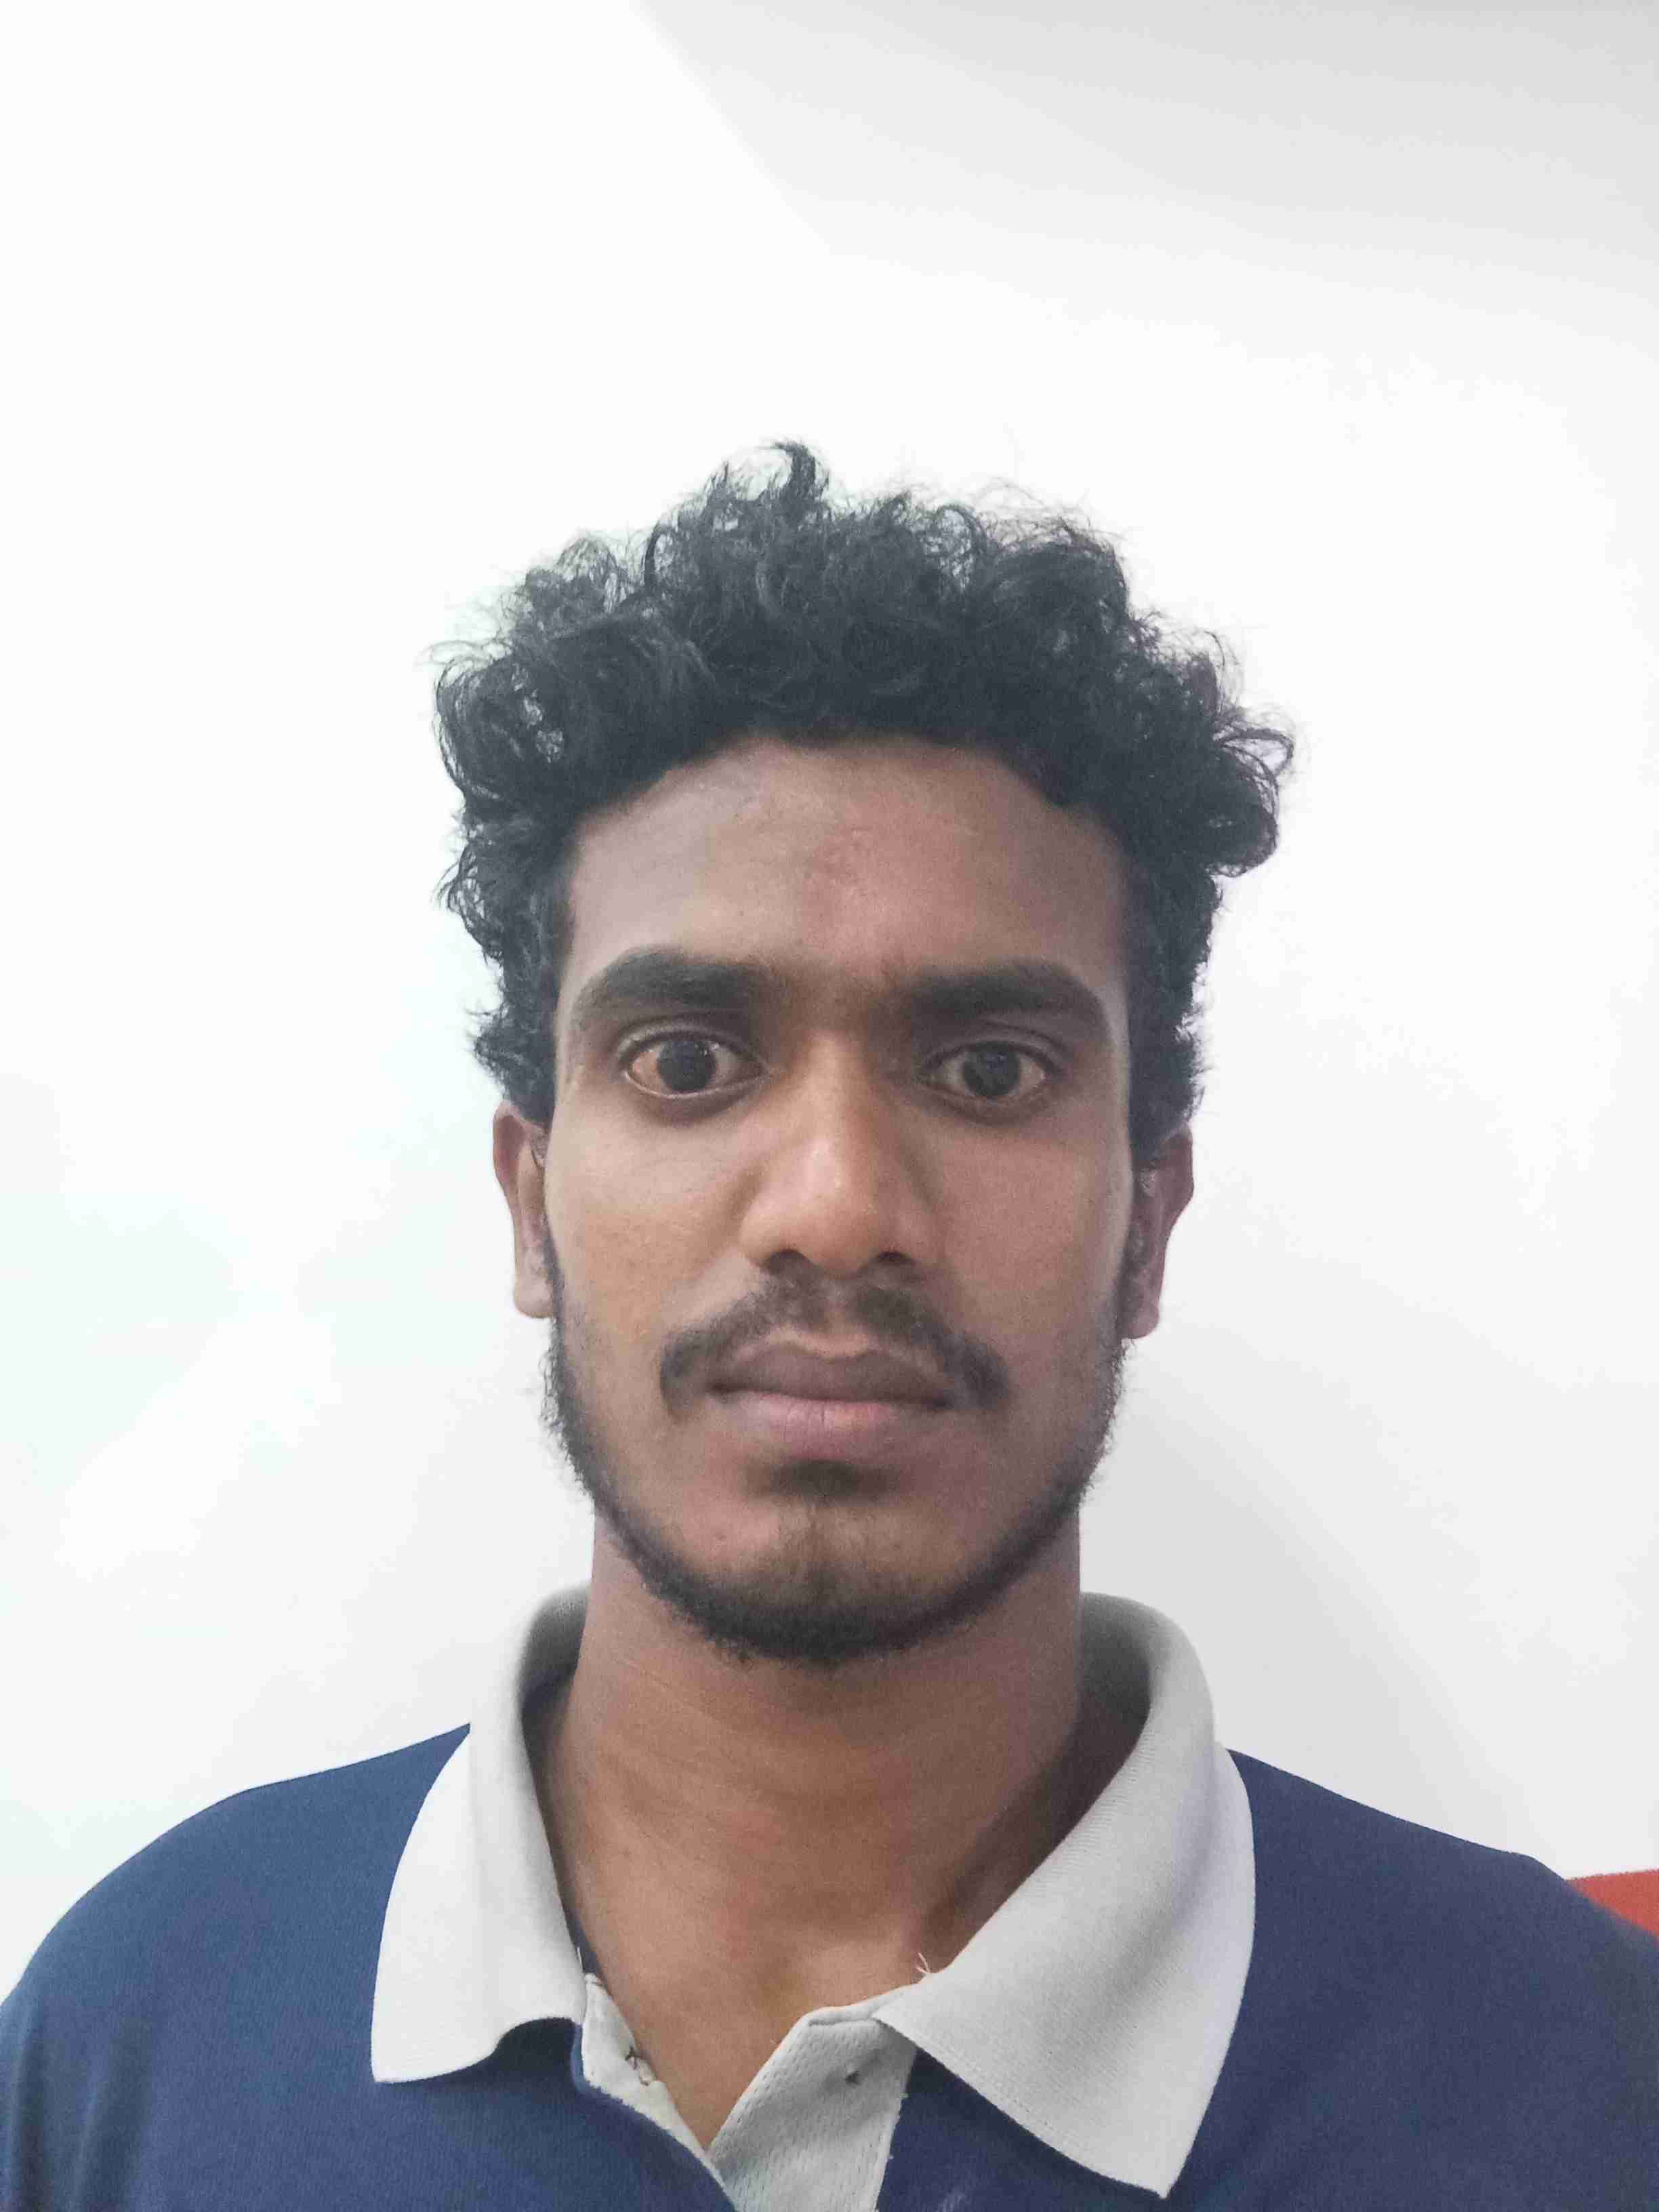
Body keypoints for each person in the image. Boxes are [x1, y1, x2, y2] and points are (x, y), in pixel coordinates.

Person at [3, 447, 1654, 2210]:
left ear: (1149, 1225)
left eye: (990, 1070)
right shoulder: (140, 2031)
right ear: (531, 1203)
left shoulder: (1580, 2074)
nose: (838, 1204)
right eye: (689, 1060)